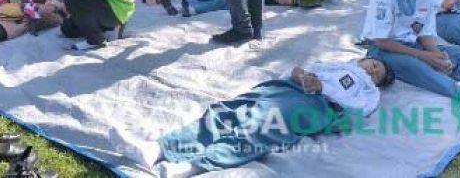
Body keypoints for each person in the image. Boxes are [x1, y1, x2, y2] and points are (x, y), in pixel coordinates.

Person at [111, 58, 394, 172]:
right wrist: (301, 74)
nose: (371, 70)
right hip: (291, 87)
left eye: (377, 72)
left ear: (378, 82)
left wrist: (325, 91)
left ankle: (195, 165)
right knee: (230, 111)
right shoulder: (337, 63)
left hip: (318, 105)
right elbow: (304, 67)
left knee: (262, 127)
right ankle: (162, 147)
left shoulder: (370, 92)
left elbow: (356, 114)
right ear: (361, 58)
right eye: (372, 63)